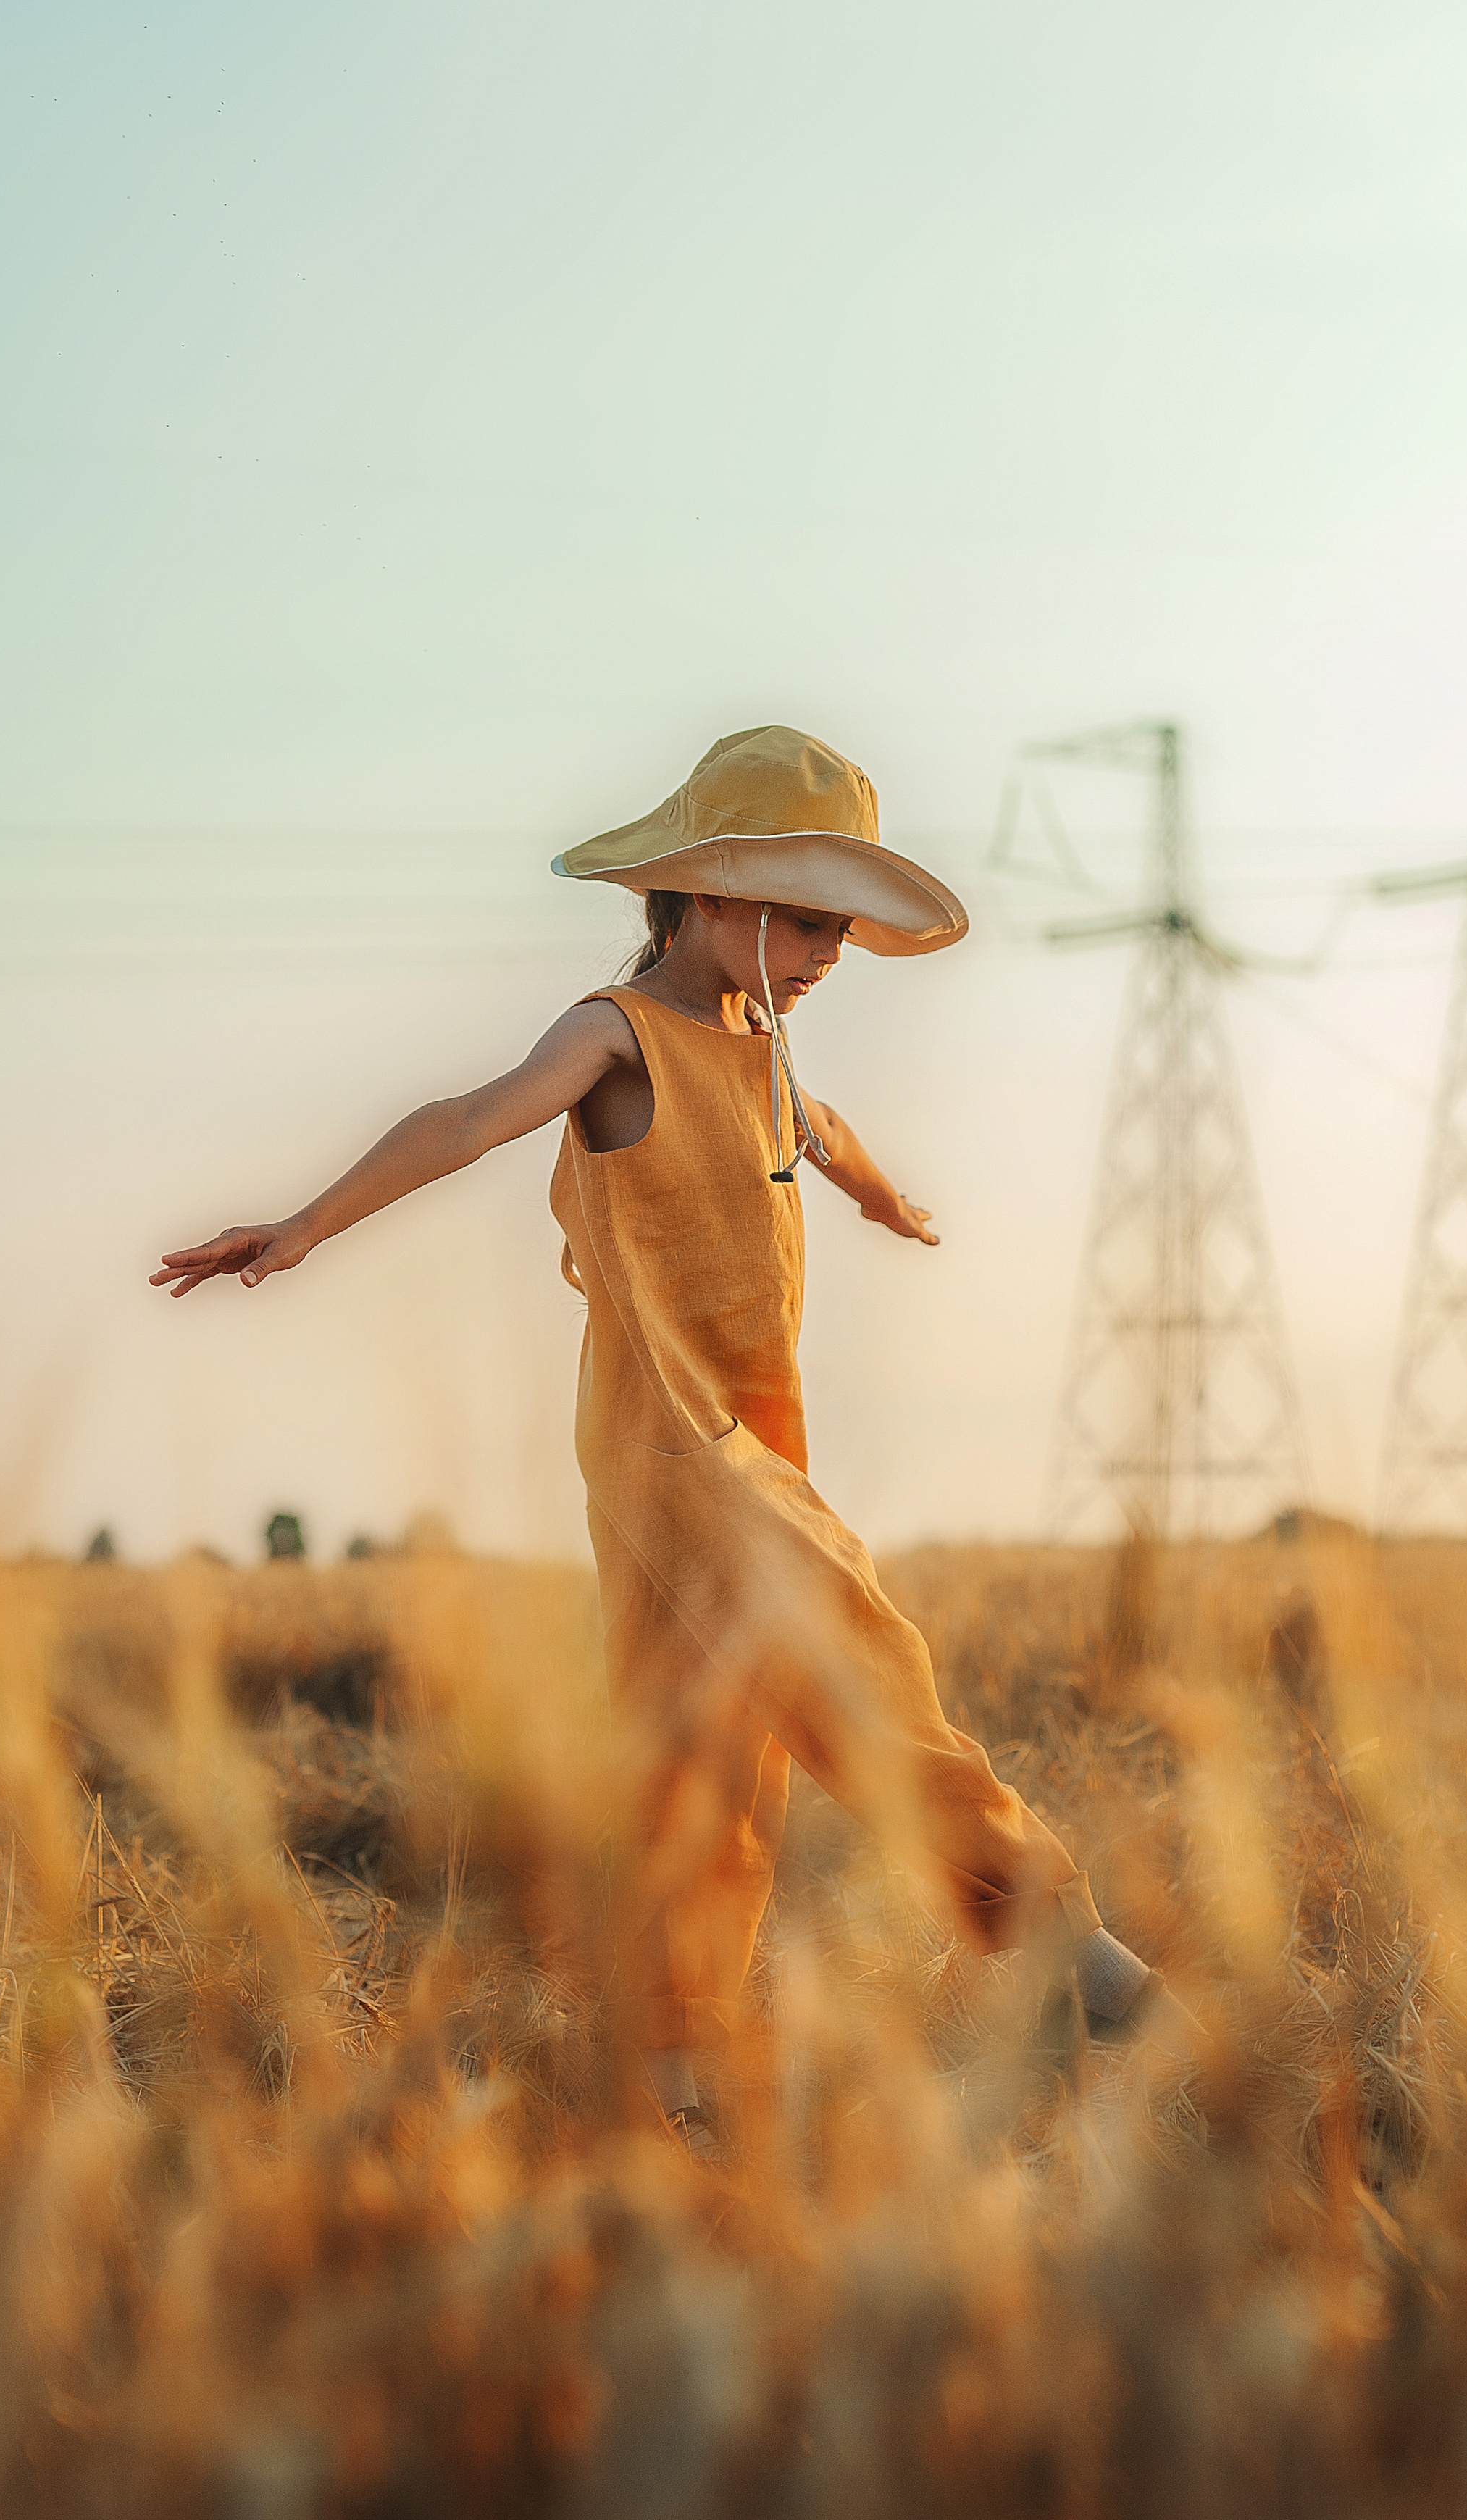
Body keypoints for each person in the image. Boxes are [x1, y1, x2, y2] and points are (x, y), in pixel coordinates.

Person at [151, 726, 1169, 2140]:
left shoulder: (763, 1044)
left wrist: (879, 1197)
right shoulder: (612, 1033)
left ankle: (672, 2061)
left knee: (705, 1745)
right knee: (856, 1653)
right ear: (707, 894)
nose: (829, 951)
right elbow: (469, 1117)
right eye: (808, 919)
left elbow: (816, 1124)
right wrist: (307, 1224)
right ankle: (1052, 1933)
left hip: (751, 1435)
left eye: (844, 927)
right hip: (669, 1436)